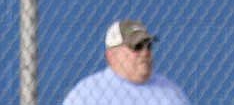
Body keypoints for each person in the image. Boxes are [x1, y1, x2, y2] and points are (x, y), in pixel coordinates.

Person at [63, 19, 191, 105]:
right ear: (112, 55)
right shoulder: (88, 94)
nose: (145, 52)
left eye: (149, 46)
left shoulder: (170, 92)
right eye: (137, 46)